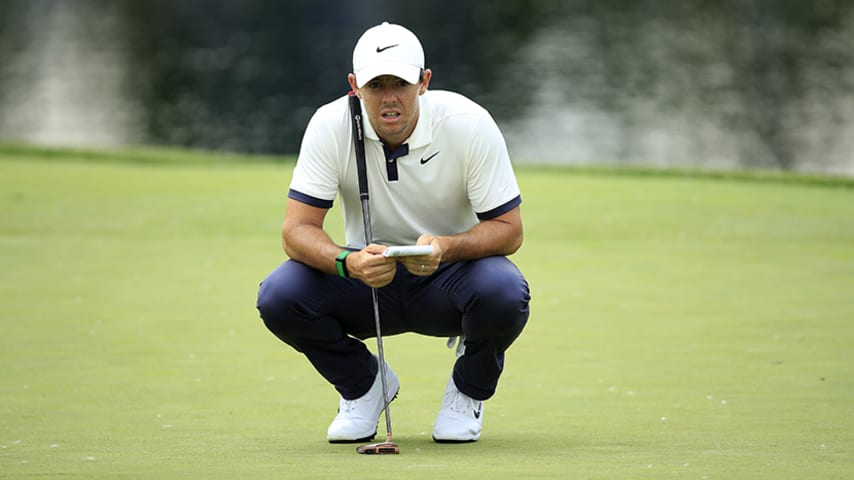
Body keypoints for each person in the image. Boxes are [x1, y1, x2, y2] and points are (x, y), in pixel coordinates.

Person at [256, 22, 530, 444]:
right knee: (279, 294)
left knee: (504, 290)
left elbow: (510, 232)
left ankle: (467, 391)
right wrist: (348, 262)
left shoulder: (468, 123)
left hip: (447, 280)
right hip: (365, 282)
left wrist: (447, 247)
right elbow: (296, 231)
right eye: (375, 85)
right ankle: (364, 387)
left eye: (400, 83)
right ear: (354, 86)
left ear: (424, 83)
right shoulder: (330, 125)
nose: (388, 98)